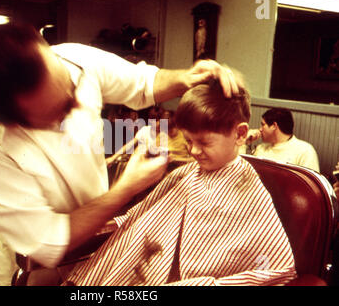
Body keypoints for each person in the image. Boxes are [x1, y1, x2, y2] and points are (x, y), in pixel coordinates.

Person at [0, 22, 243, 283]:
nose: (75, 105)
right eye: (59, 111)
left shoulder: (72, 60)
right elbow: (47, 240)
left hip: (98, 239)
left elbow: (143, 84)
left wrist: (187, 77)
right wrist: (126, 188)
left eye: (69, 88)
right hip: (32, 252)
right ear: (13, 121)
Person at [63, 77, 296, 286]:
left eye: (204, 142)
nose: (194, 150)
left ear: (240, 134)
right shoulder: (185, 174)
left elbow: (276, 267)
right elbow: (143, 216)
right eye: (188, 140)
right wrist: (115, 223)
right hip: (146, 271)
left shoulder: (249, 191)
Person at [246, 108, 320, 172]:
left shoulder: (304, 151)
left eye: (263, 124)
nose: (260, 129)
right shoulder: (261, 148)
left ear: (274, 126)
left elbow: (310, 185)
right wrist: (245, 142)